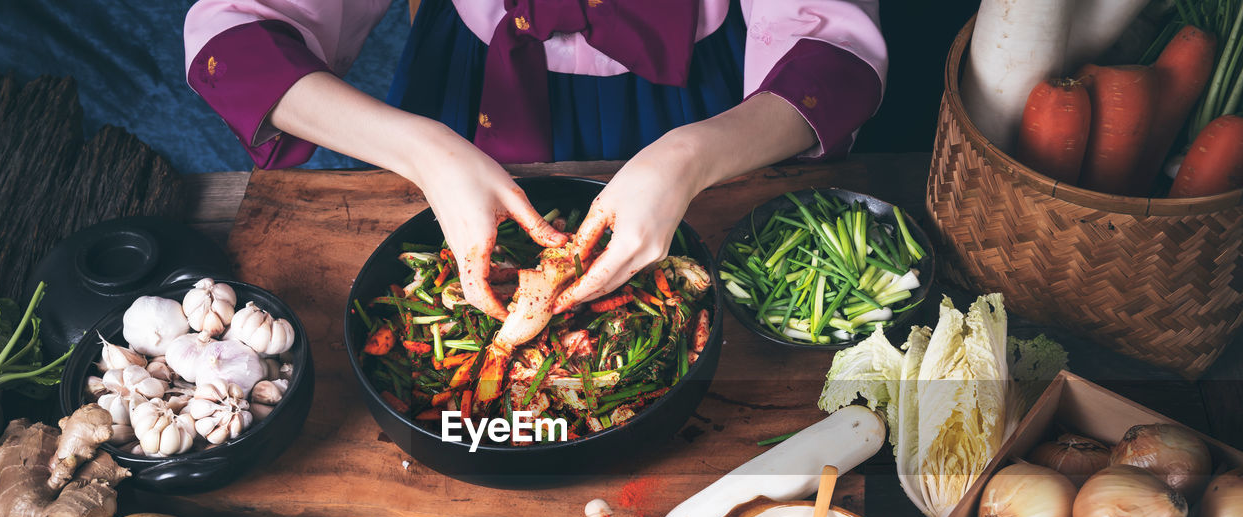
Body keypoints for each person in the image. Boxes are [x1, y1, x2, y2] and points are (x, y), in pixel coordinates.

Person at [184, 0, 886, 318]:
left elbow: (833, 55)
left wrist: (690, 157)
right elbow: (235, 39)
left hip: (706, 110)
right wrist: (427, 154)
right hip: (467, 101)